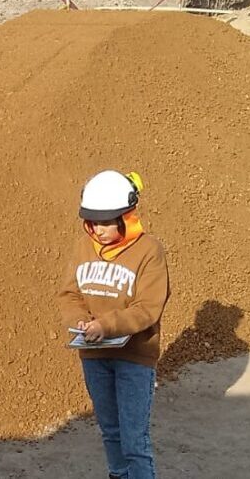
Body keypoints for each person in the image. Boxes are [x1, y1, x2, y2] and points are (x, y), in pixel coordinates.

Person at [58, 170, 170, 479]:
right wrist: (78, 320)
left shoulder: (149, 251)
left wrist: (106, 326)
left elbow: (148, 308)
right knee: (110, 431)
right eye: (92, 221)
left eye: (106, 221)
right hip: (94, 356)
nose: (98, 229)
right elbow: (69, 293)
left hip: (134, 358)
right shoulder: (83, 247)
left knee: (134, 441)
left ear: (127, 216)